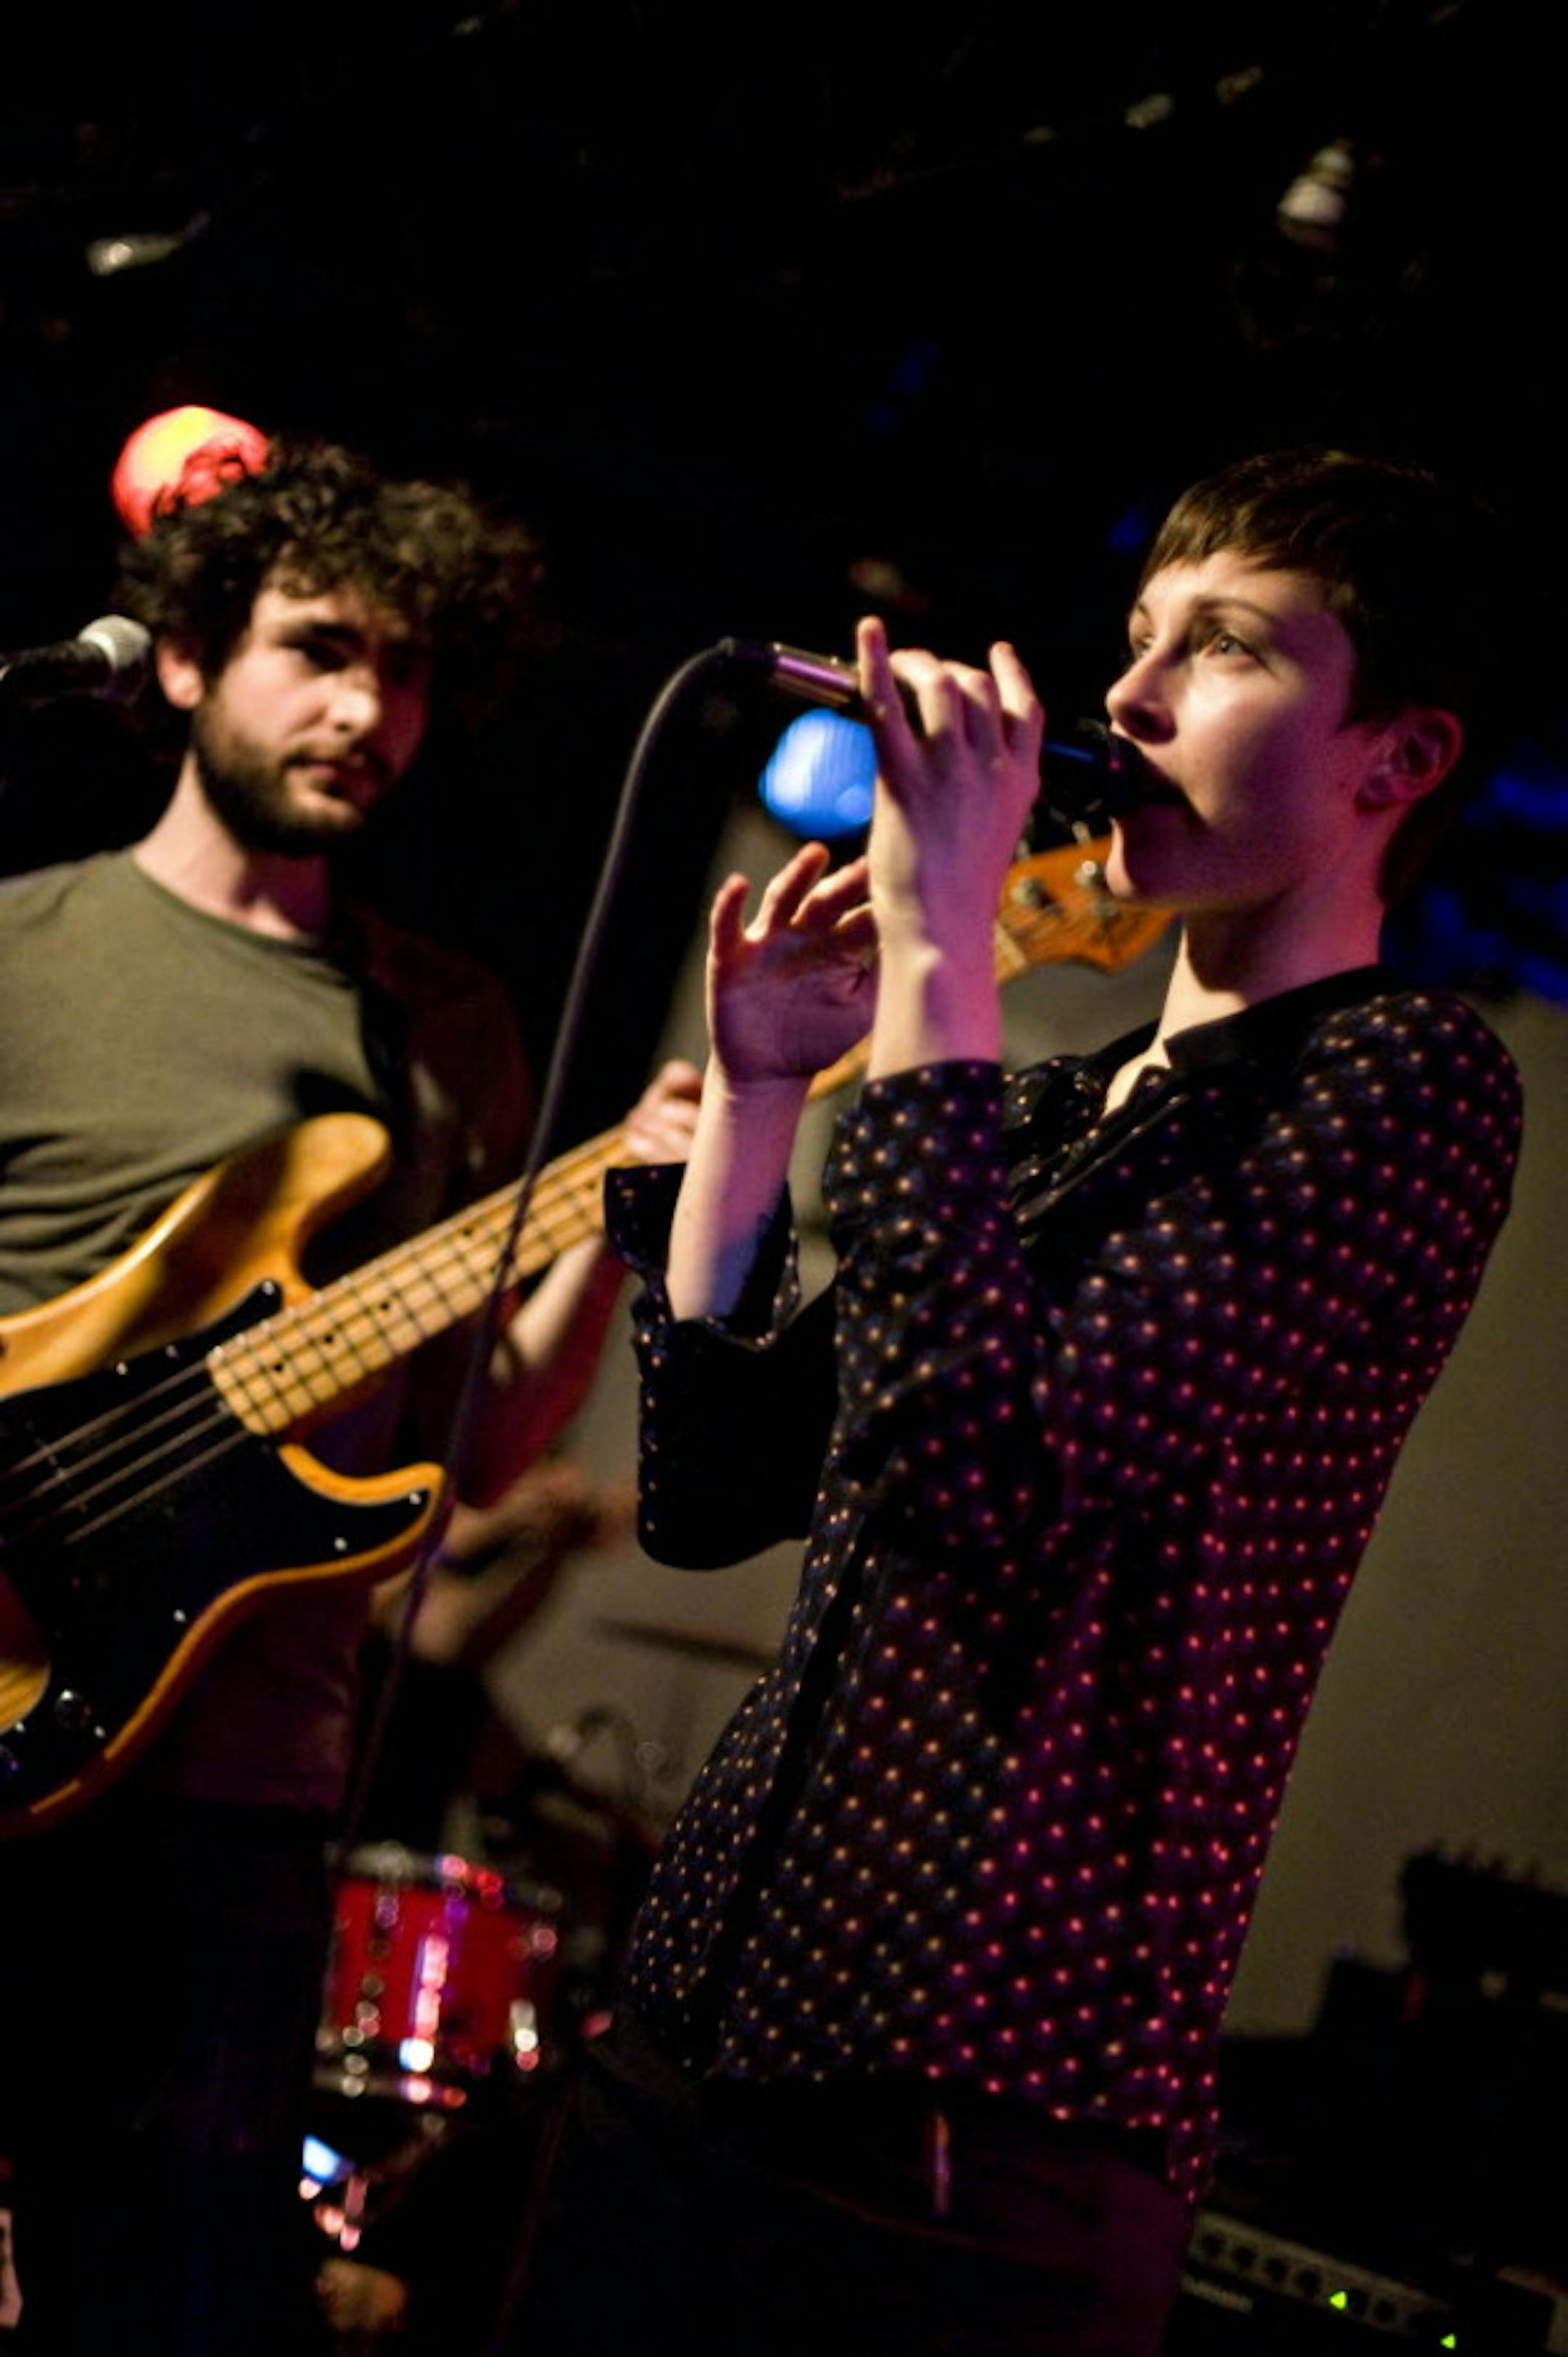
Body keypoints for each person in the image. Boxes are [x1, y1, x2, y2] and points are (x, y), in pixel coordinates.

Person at [515, 449, 1524, 2356]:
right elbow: (716, 1489)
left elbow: (983, 1473)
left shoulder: (1408, 1087)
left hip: (968, 2105)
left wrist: (935, 951)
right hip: (701, 2020)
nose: (1126, 697)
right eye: (1136, 638)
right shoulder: (1058, 1114)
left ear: (1397, 757)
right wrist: (757, 1095)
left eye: (1223, 650)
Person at [0, 438, 697, 2354]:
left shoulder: (445, 1026)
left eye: (404, 671)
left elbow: (472, 1450)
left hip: (234, 1804)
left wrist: (622, 1224)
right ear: (180, 659)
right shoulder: (21, 946)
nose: (366, 711)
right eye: (319, 650)